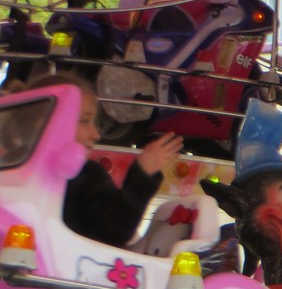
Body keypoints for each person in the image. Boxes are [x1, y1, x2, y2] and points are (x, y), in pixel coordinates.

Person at [14, 73, 183, 247]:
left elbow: (114, 231)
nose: (96, 134)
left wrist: (142, 172)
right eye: (85, 121)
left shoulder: (88, 174)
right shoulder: (12, 170)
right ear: (44, 122)